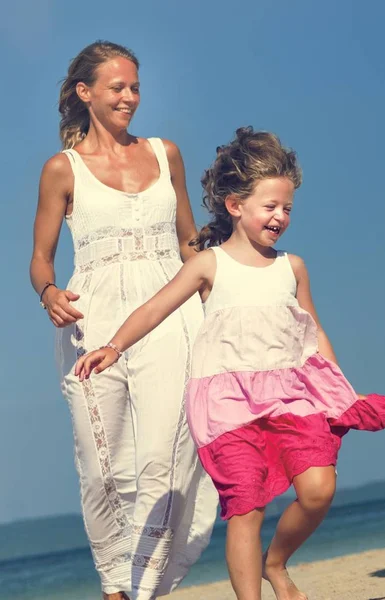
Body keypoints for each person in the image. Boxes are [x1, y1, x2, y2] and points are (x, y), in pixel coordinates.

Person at [75, 126, 385, 600]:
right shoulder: (208, 265)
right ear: (235, 205)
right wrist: (114, 345)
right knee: (246, 507)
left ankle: (277, 562)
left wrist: (341, 388)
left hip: (291, 394)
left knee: (318, 490)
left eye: (287, 208)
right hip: (226, 402)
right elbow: (154, 308)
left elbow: (313, 332)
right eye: (270, 206)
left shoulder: (291, 267)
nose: (281, 217)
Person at [29, 41, 218, 600]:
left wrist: (221, 302)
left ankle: (140, 588)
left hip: (168, 313)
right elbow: (40, 257)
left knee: (166, 453)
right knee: (102, 464)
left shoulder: (166, 154)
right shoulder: (62, 169)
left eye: (135, 86)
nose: (130, 97)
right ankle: (116, 584)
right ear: (86, 93)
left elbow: (191, 244)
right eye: (117, 87)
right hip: (91, 321)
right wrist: (47, 292)